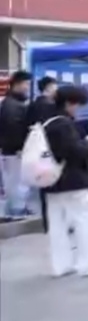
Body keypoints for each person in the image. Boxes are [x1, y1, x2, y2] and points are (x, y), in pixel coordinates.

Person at [41, 85, 88, 276]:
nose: (77, 109)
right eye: (77, 104)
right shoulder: (64, 124)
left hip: (51, 181)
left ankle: (60, 265)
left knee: (57, 224)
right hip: (73, 181)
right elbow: (75, 152)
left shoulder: (47, 122)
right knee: (85, 220)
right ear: (69, 103)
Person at [0, 69, 33, 218]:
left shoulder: (12, 103)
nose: (27, 87)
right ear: (17, 84)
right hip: (14, 150)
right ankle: (16, 210)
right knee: (16, 181)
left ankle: (17, 208)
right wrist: (19, 147)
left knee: (16, 181)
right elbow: (12, 129)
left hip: (13, 149)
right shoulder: (12, 105)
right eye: (26, 84)